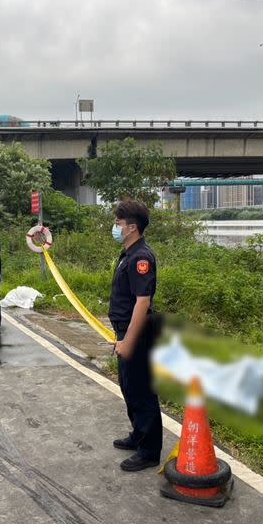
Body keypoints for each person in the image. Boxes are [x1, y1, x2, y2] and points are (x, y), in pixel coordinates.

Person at [108, 199, 162, 472]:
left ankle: (150, 450)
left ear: (131, 228)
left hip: (137, 333)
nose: (115, 228)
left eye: (118, 223)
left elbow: (142, 302)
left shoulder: (141, 257)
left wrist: (128, 340)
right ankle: (138, 434)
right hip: (126, 330)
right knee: (128, 386)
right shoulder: (129, 254)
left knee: (141, 389)